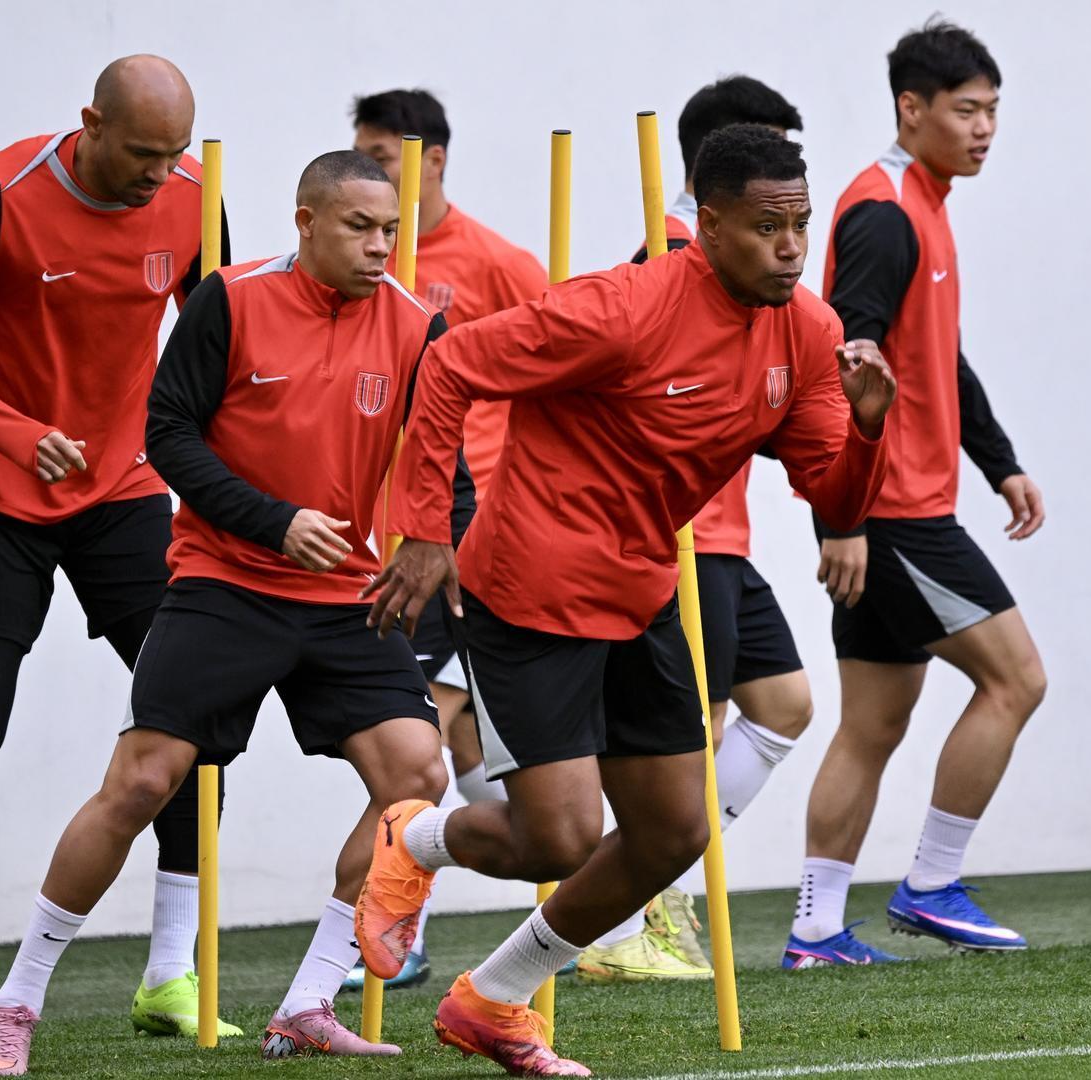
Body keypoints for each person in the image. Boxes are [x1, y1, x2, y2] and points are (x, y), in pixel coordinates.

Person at [359, 126, 896, 1077]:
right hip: (531, 588)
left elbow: (834, 494)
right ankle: (417, 836)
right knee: (557, 840)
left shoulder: (808, 332)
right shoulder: (622, 308)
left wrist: (867, 431)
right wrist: (426, 529)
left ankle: (491, 998)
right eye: (767, 228)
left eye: (801, 226)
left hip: (642, 592)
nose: (791, 249)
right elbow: (448, 366)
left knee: (675, 832)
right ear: (709, 224)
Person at [0, 150, 474, 1077]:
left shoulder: (417, 324)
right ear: (305, 222)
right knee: (142, 783)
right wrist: (275, 522)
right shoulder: (230, 301)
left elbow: (447, 458)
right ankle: (17, 1003)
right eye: (360, 228)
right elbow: (166, 434)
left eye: (391, 230)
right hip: (223, 582)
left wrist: (433, 542)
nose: (380, 246)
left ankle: (309, 1002)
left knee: (416, 775)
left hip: (342, 592)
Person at [0, 54, 238, 1044]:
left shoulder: (195, 193)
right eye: (141, 154)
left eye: (174, 153)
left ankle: (170, 970)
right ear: (90, 123)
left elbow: (224, 345)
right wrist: (14, 433)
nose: (158, 174)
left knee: (193, 723)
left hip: (125, 492)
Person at [783, 18, 1047, 969]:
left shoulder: (923, 204)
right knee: (1017, 680)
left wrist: (999, 462)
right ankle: (932, 883)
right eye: (967, 110)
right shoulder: (885, 212)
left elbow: (939, 358)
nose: (984, 129)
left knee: (873, 722)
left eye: (992, 111)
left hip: (893, 509)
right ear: (911, 107)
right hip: (891, 514)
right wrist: (842, 518)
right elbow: (838, 366)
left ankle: (815, 929)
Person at [583, 75, 813, 985]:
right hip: (684, 533)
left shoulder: (755, 264)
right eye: (771, 150)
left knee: (784, 705)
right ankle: (628, 914)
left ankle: (655, 884)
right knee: (693, 732)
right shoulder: (673, 254)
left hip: (724, 528)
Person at [345, 86, 550, 991]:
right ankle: (606, 892)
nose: (368, 176)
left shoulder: (499, 263)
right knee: (453, 744)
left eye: (382, 160)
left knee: (423, 725)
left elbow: (559, 375)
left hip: (478, 524)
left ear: (433, 161)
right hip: (400, 523)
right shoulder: (362, 265)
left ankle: (393, 927)